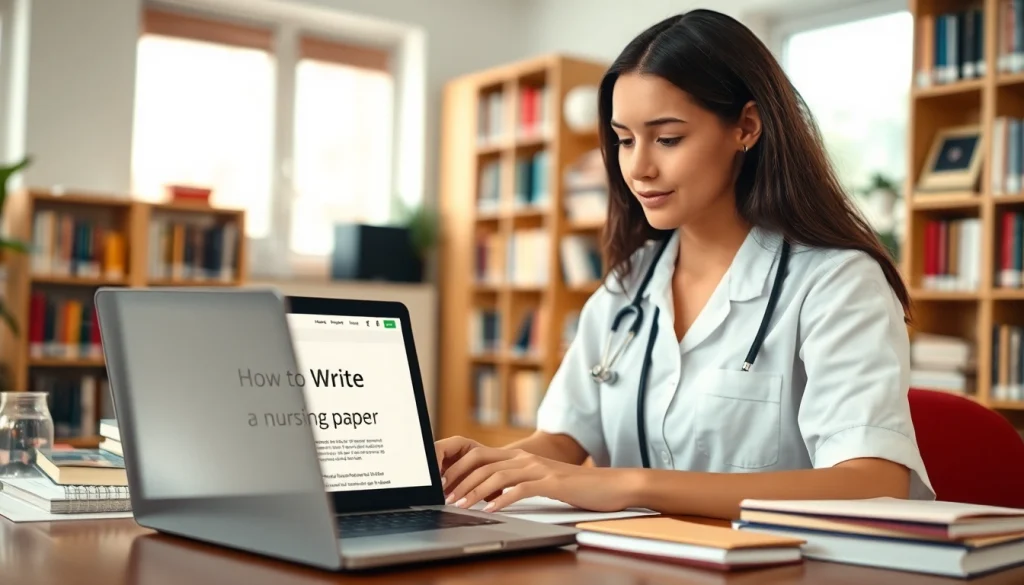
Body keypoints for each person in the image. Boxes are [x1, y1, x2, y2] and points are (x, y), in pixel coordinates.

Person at [435, 8, 935, 520]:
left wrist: (630, 485)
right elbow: (563, 440)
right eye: (624, 139)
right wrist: (480, 466)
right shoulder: (626, 287)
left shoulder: (835, 281)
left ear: (746, 127)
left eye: (667, 138)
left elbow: (874, 482)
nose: (638, 167)